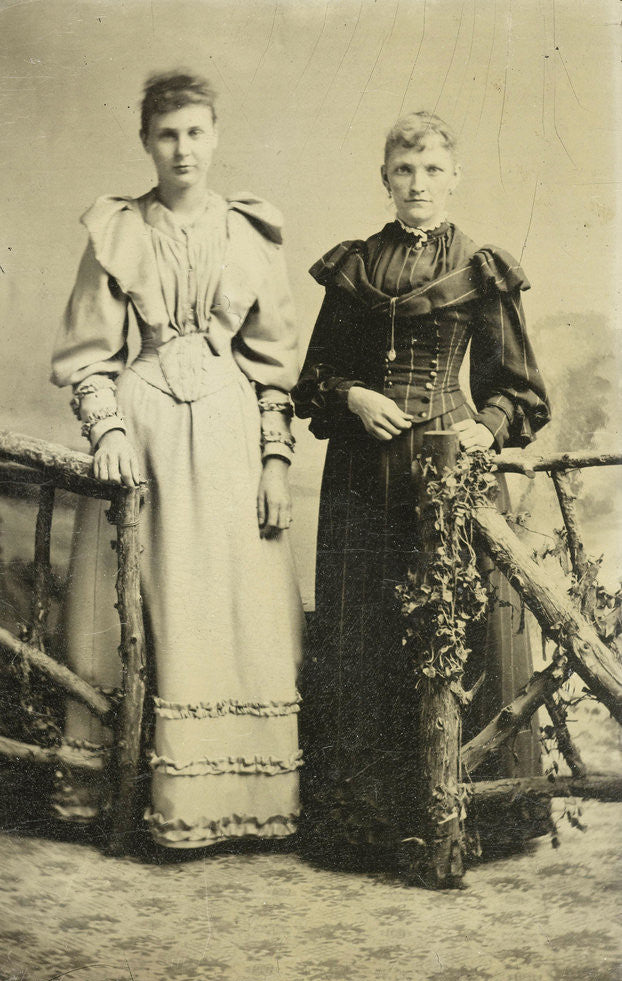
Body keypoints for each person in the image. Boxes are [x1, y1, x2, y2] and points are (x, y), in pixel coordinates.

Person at [51, 71, 304, 851]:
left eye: (196, 132)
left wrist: (273, 463)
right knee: (138, 610)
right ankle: (126, 796)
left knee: (234, 613)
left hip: (231, 442)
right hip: (145, 439)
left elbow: (273, 364)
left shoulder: (250, 235)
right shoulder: (118, 233)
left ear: (216, 136)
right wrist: (110, 433)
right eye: (167, 134)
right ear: (146, 142)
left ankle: (236, 805)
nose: (183, 148)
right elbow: (88, 356)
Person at [293, 111, 551, 865]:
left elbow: (517, 389)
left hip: (447, 463)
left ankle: (479, 812)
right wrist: (353, 396)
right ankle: (367, 825)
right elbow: (314, 375)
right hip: (360, 471)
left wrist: (485, 430)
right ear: (384, 178)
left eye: (433, 169)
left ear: (454, 178)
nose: (419, 184)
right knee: (363, 626)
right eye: (405, 170)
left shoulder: (480, 266)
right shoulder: (354, 265)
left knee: (461, 627)